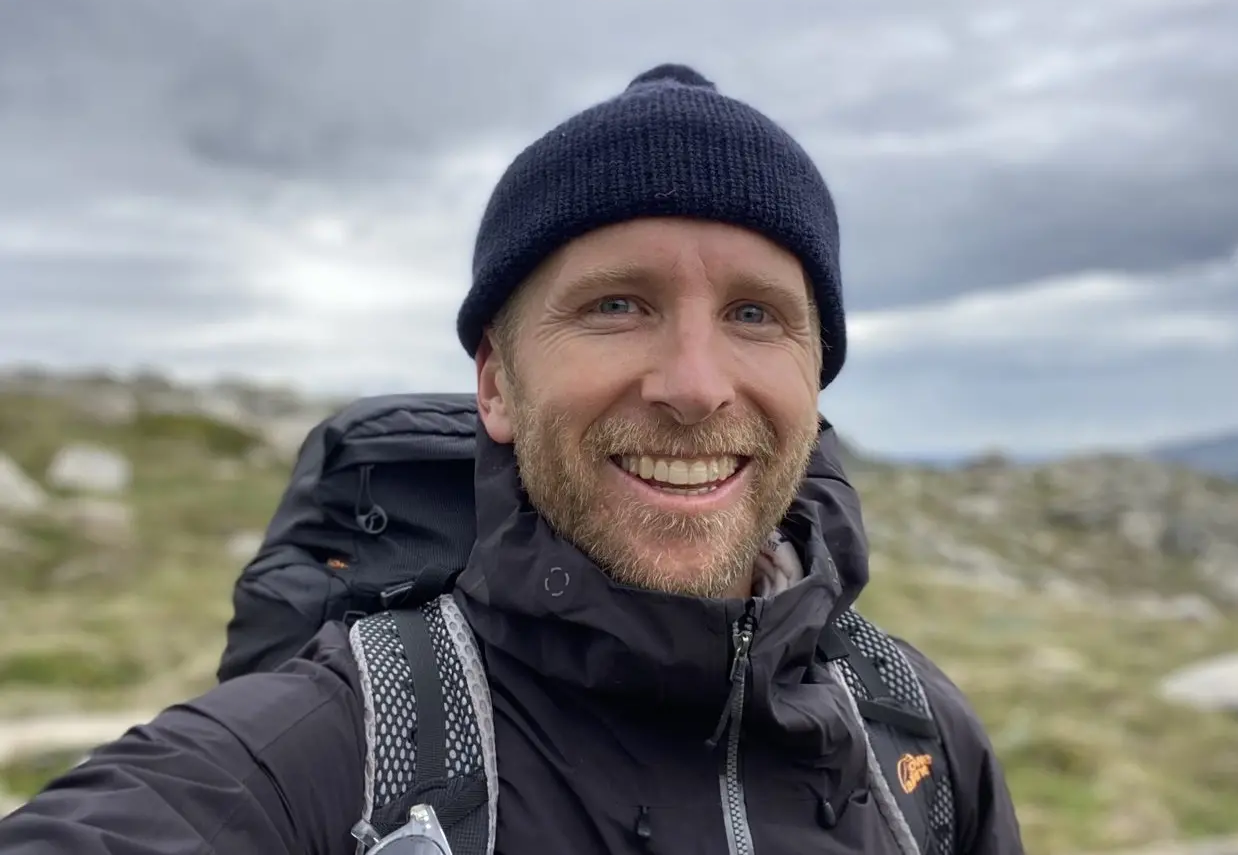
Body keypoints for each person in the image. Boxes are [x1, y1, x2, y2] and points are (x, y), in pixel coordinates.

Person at [0, 63, 1024, 854]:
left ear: (814, 378)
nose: (695, 384)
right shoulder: (339, 750)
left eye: (755, 314)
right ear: (496, 382)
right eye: (617, 304)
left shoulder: (919, 742)